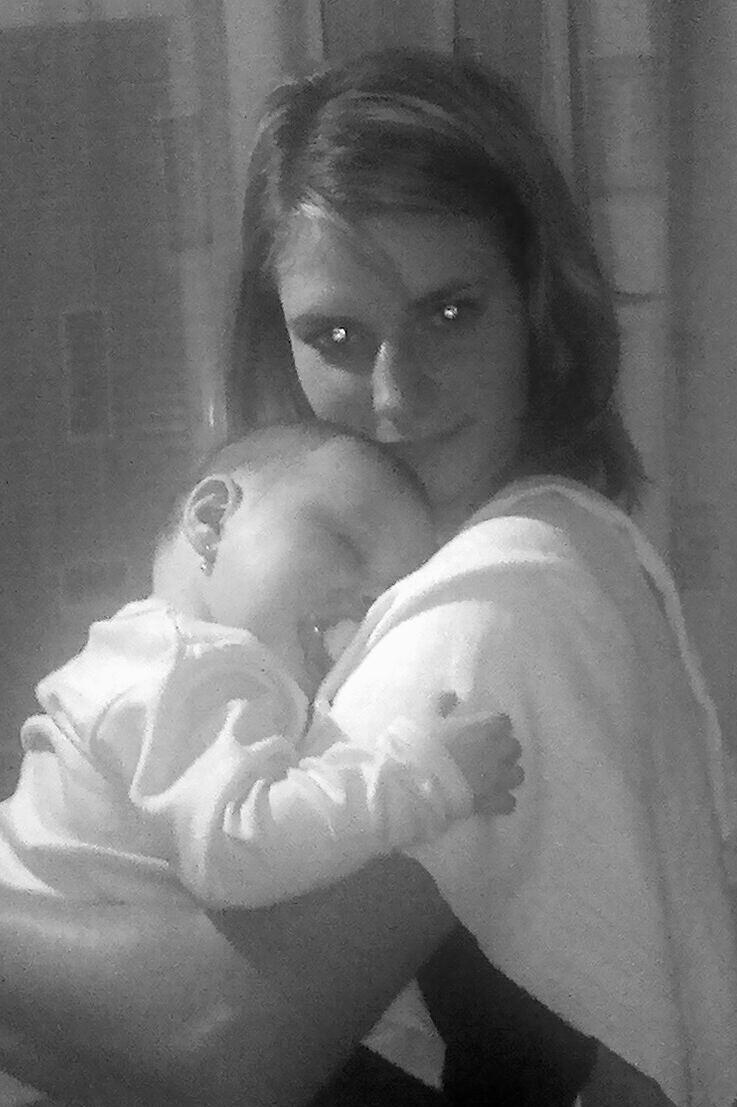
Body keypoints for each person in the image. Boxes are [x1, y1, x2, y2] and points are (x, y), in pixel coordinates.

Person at [0, 45, 735, 1107]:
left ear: (535, 303)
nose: (395, 395)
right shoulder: (510, 555)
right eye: (336, 334)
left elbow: (221, 1039)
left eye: (449, 312)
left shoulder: (501, 591)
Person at [0, 421, 520, 912]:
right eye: (345, 543)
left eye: (387, 594)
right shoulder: (186, 664)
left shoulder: (168, 658)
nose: (368, 599)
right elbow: (237, 849)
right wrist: (424, 777)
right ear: (211, 520)